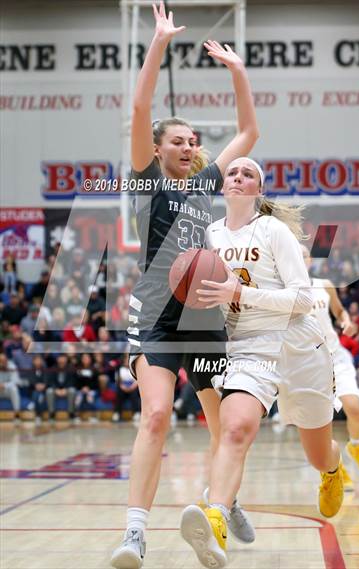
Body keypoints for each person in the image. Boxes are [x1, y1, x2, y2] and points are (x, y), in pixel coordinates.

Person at [111, 4, 259, 569]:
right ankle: (134, 534)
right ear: (158, 147)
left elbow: (248, 131)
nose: (190, 145)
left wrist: (238, 72)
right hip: (155, 317)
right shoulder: (149, 179)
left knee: (225, 425)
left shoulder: (204, 181)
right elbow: (142, 105)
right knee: (155, 415)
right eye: (179, 140)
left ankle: (227, 501)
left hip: (203, 318)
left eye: (194, 140)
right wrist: (160, 42)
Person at [180, 157, 343, 569]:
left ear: (259, 188)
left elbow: (303, 299)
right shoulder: (209, 236)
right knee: (234, 429)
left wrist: (241, 293)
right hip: (249, 345)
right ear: (223, 185)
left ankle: (332, 467)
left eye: (247, 173)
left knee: (317, 452)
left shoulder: (273, 231)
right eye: (232, 172)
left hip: (298, 344)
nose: (237, 177)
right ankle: (216, 519)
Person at [302, 247, 359, 491]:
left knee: (354, 408)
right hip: (309, 362)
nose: (301, 258)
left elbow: (338, 311)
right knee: (323, 420)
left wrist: (346, 322)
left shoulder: (324, 284)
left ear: (310, 259)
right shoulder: (284, 290)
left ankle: (356, 444)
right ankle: (337, 465)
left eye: (304, 255)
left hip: (336, 355)